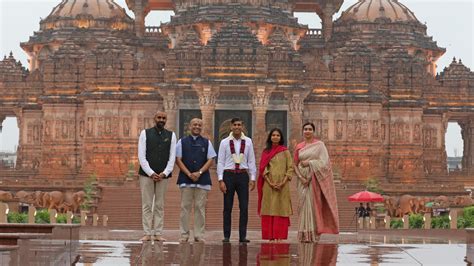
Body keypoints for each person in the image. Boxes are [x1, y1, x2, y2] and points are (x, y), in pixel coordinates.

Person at [294, 122, 339, 242]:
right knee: (303, 206)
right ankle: (303, 233)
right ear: (302, 131)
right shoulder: (299, 146)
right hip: (301, 180)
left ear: (313, 131)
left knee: (313, 206)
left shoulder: (320, 145)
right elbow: (295, 164)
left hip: (314, 179)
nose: (307, 131)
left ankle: (312, 234)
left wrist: (309, 164)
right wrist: (301, 177)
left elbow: (325, 163)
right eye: (305, 129)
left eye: (310, 129)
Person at [175, 118, 216, 243]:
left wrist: (199, 172)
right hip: (185, 179)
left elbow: (210, 159)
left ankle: (199, 234)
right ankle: (184, 234)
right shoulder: (181, 142)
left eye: (199, 125)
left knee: (200, 208)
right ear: (189, 126)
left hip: (202, 180)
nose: (197, 127)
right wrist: (188, 173)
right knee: (185, 207)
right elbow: (178, 159)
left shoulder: (206, 142)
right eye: (194, 124)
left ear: (202, 127)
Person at [138, 111, 177, 242]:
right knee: (147, 205)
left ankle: (158, 233)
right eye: (159, 117)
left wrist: (165, 172)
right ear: (154, 119)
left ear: (166, 120)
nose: (161, 120)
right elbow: (141, 156)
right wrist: (150, 172)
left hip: (163, 175)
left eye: (163, 118)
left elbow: (172, 157)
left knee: (159, 205)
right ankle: (147, 233)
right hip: (146, 175)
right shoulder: (145, 133)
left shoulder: (171, 135)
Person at [217, 117, 256, 243]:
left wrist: (253, 177)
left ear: (242, 127)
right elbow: (220, 162)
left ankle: (242, 236)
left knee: (244, 207)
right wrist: (220, 179)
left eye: (239, 125)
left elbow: (251, 160)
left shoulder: (248, 142)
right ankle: (226, 236)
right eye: (235, 125)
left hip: (243, 176)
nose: (237, 127)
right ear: (231, 127)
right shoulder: (224, 142)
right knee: (227, 207)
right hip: (229, 175)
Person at [257, 128, 294, 242]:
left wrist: (283, 182)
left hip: (283, 185)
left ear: (281, 137)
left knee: (281, 208)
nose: (275, 137)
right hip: (269, 185)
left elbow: (290, 167)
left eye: (278, 135)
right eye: (273, 135)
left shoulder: (285, 151)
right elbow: (263, 168)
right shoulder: (266, 152)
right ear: (270, 137)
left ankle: (280, 236)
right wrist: (270, 182)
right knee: (269, 208)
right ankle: (270, 236)